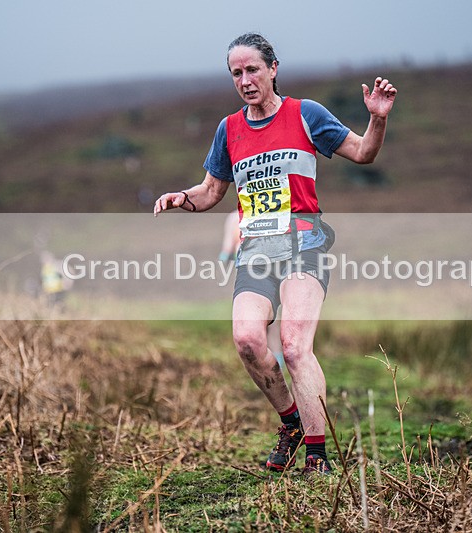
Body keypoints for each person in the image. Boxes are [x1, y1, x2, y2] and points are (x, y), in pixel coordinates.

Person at [154, 33, 397, 475]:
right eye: (236, 73)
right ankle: (291, 424)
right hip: (256, 252)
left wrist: (377, 120)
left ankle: (317, 458)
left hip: (304, 244)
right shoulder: (228, 130)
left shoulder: (306, 115)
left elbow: (363, 153)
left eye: (252, 70)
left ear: (273, 69)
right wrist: (180, 198)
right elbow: (211, 192)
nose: (245, 80)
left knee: (294, 346)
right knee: (248, 341)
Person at [219, 210, 285, 372]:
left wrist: (224, 262)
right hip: (273, 272)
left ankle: (269, 368)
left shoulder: (234, 218)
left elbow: (227, 250)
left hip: (247, 276)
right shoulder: (276, 212)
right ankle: (276, 366)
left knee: (256, 324)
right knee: (272, 325)